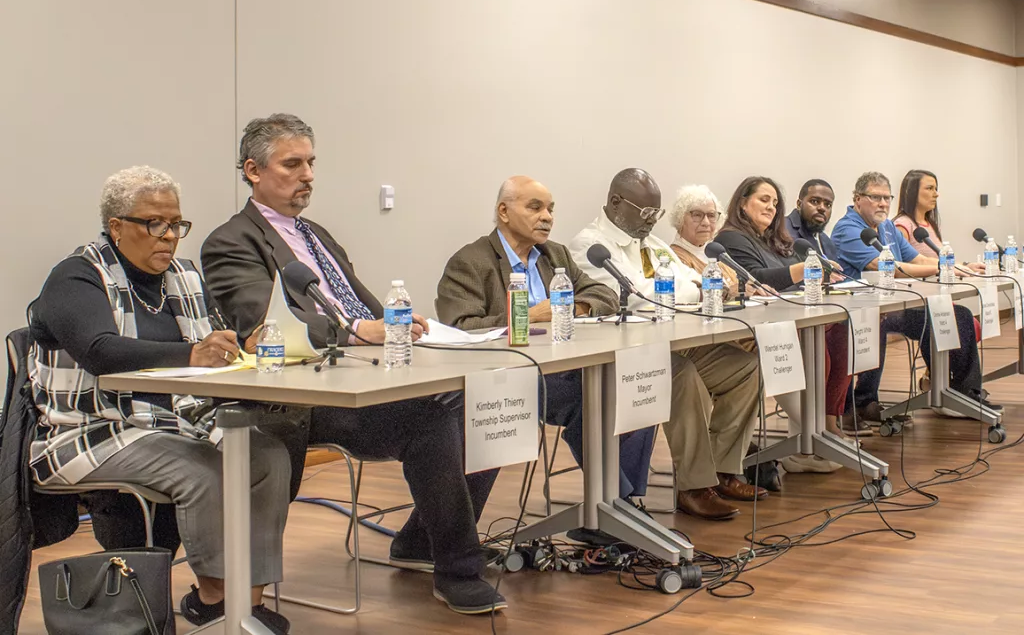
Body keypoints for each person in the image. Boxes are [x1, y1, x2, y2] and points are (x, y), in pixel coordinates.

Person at [201, 114, 505, 615]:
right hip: (300, 400)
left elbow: (361, 309)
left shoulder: (316, 234)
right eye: (292, 164)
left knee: (485, 399)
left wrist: (402, 324)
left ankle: (419, 542)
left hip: (360, 376)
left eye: (312, 163)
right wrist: (359, 332)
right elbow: (270, 326)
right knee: (430, 417)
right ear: (253, 171)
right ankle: (458, 567)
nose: (308, 175)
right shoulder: (231, 242)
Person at [28, 166, 292, 634]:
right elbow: (100, 351)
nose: (168, 236)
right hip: (87, 432)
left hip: (174, 421)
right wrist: (192, 352)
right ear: (116, 226)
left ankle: (249, 602)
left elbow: (212, 346)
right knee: (204, 467)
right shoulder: (76, 277)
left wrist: (242, 346)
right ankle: (213, 600)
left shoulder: (185, 277)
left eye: (176, 225)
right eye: (154, 224)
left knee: (267, 455)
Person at [437, 175, 656, 516]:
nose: (547, 217)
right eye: (535, 207)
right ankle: (619, 507)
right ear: (504, 212)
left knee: (637, 383)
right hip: (508, 377)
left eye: (551, 209)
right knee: (594, 399)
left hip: (563, 368)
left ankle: (618, 503)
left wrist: (571, 308)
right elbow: (459, 328)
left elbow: (604, 294)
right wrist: (530, 316)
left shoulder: (554, 255)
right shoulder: (471, 261)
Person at [570, 168, 767, 521]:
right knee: (680, 375)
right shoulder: (591, 245)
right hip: (623, 357)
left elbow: (690, 278)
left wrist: (697, 287)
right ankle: (694, 485)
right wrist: (694, 289)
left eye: (655, 215)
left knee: (747, 367)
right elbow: (633, 297)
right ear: (616, 203)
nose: (651, 222)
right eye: (645, 213)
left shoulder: (652, 243)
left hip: (670, 343)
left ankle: (723, 471)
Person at [830, 171, 996, 422]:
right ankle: (864, 401)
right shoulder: (848, 228)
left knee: (958, 314)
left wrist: (961, 265)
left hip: (894, 305)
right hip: (857, 310)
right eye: (875, 197)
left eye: (887, 197)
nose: (883, 203)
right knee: (878, 320)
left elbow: (916, 258)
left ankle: (962, 392)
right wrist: (944, 268)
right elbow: (887, 267)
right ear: (857, 198)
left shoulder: (885, 226)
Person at [713, 177, 851, 470]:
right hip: (755, 332)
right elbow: (756, 278)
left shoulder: (772, 239)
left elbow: (784, 278)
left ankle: (817, 429)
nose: (771, 207)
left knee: (839, 330)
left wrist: (813, 275)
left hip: (786, 322)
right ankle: (812, 436)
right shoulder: (731, 238)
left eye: (775, 203)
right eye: (764, 199)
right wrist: (803, 270)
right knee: (808, 341)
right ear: (742, 202)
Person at [783, 179, 871, 438]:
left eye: (827, 204)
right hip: (793, 318)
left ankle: (830, 422)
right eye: (815, 202)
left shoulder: (823, 238)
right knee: (825, 349)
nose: (821, 208)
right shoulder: (787, 233)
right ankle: (815, 429)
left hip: (824, 313)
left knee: (846, 339)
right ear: (799, 203)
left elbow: (837, 278)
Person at [893, 169, 982, 391]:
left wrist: (966, 265)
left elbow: (939, 260)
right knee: (963, 320)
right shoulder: (902, 225)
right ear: (913, 192)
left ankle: (945, 382)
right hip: (913, 305)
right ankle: (960, 389)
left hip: (936, 300)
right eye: (929, 188)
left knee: (968, 323)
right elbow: (898, 267)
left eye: (936, 188)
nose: (936, 194)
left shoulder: (929, 225)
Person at [667, 184, 759, 300]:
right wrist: (730, 293)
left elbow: (739, 287)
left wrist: (756, 290)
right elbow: (692, 296)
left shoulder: (715, 253)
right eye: (697, 215)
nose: (706, 222)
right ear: (680, 218)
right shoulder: (674, 257)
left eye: (711, 215)